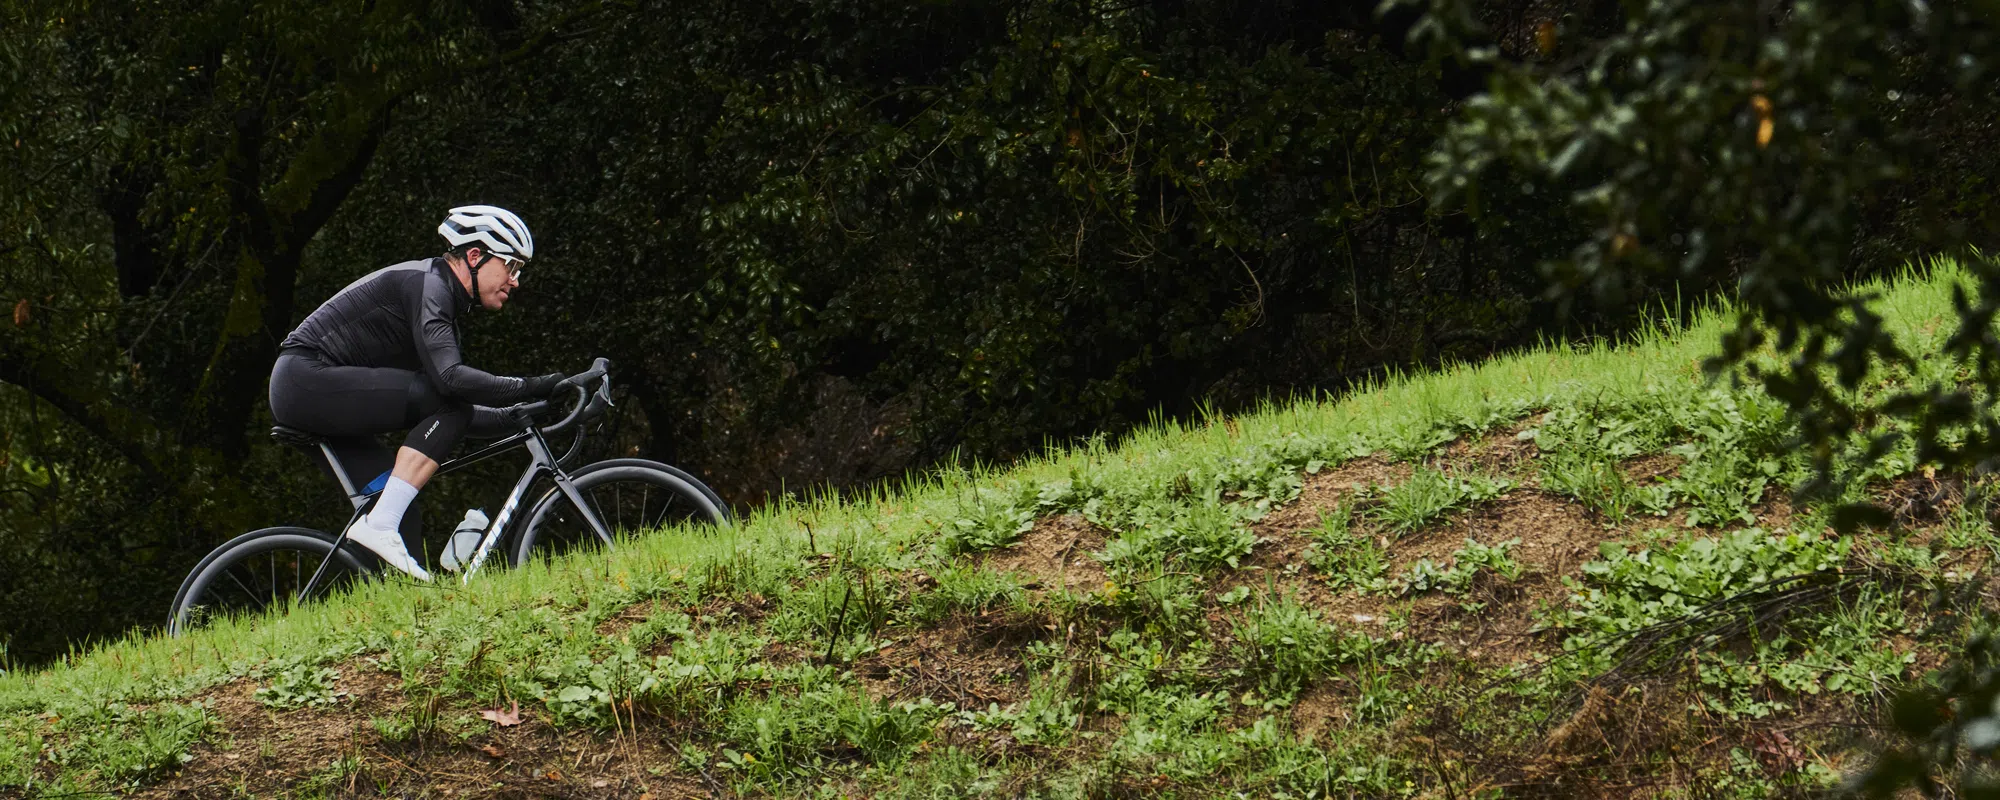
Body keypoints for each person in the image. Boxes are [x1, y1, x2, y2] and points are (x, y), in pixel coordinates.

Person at [268, 205, 567, 581]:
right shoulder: (430, 286)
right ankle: (380, 528)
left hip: (309, 389)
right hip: (305, 380)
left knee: (400, 514)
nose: (515, 280)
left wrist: (525, 412)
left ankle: (387, 618)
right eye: (511, 266)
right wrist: (535, 385)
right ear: (475, 256)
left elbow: (458, 411)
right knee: (443, 406)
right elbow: (452, 386)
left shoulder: (441, 304)